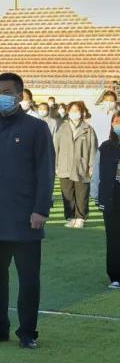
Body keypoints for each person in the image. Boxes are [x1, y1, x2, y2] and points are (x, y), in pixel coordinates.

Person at [0, 72, 55, 350]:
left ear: (19, 95)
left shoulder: (36, 128)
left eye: (6, 92)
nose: (1, 97)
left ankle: (27, 332)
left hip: (26, 219)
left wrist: (40, 209)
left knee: (28, 280)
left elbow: (45, 172)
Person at [54, 100, 97, 229]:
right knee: (67, 193)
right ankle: (71, 217)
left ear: (82, 112)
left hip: (81, 166)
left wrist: (91, 165)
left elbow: (93, 149)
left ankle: (80, 217)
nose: (74, 113)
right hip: (64, 165)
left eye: (77, 110)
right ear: (68, 112)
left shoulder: (88, 129)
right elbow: (56, 147)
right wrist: (56, 164)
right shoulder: (62, 128)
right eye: (72, 110)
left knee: (82, 193)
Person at [98, 113, 120, 288]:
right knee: (113, 237)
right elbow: (96, 172)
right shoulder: (105, 147)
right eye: (116, 122)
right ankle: (115, 275)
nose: (118, 125)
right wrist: (97, 195)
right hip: (111, 195)